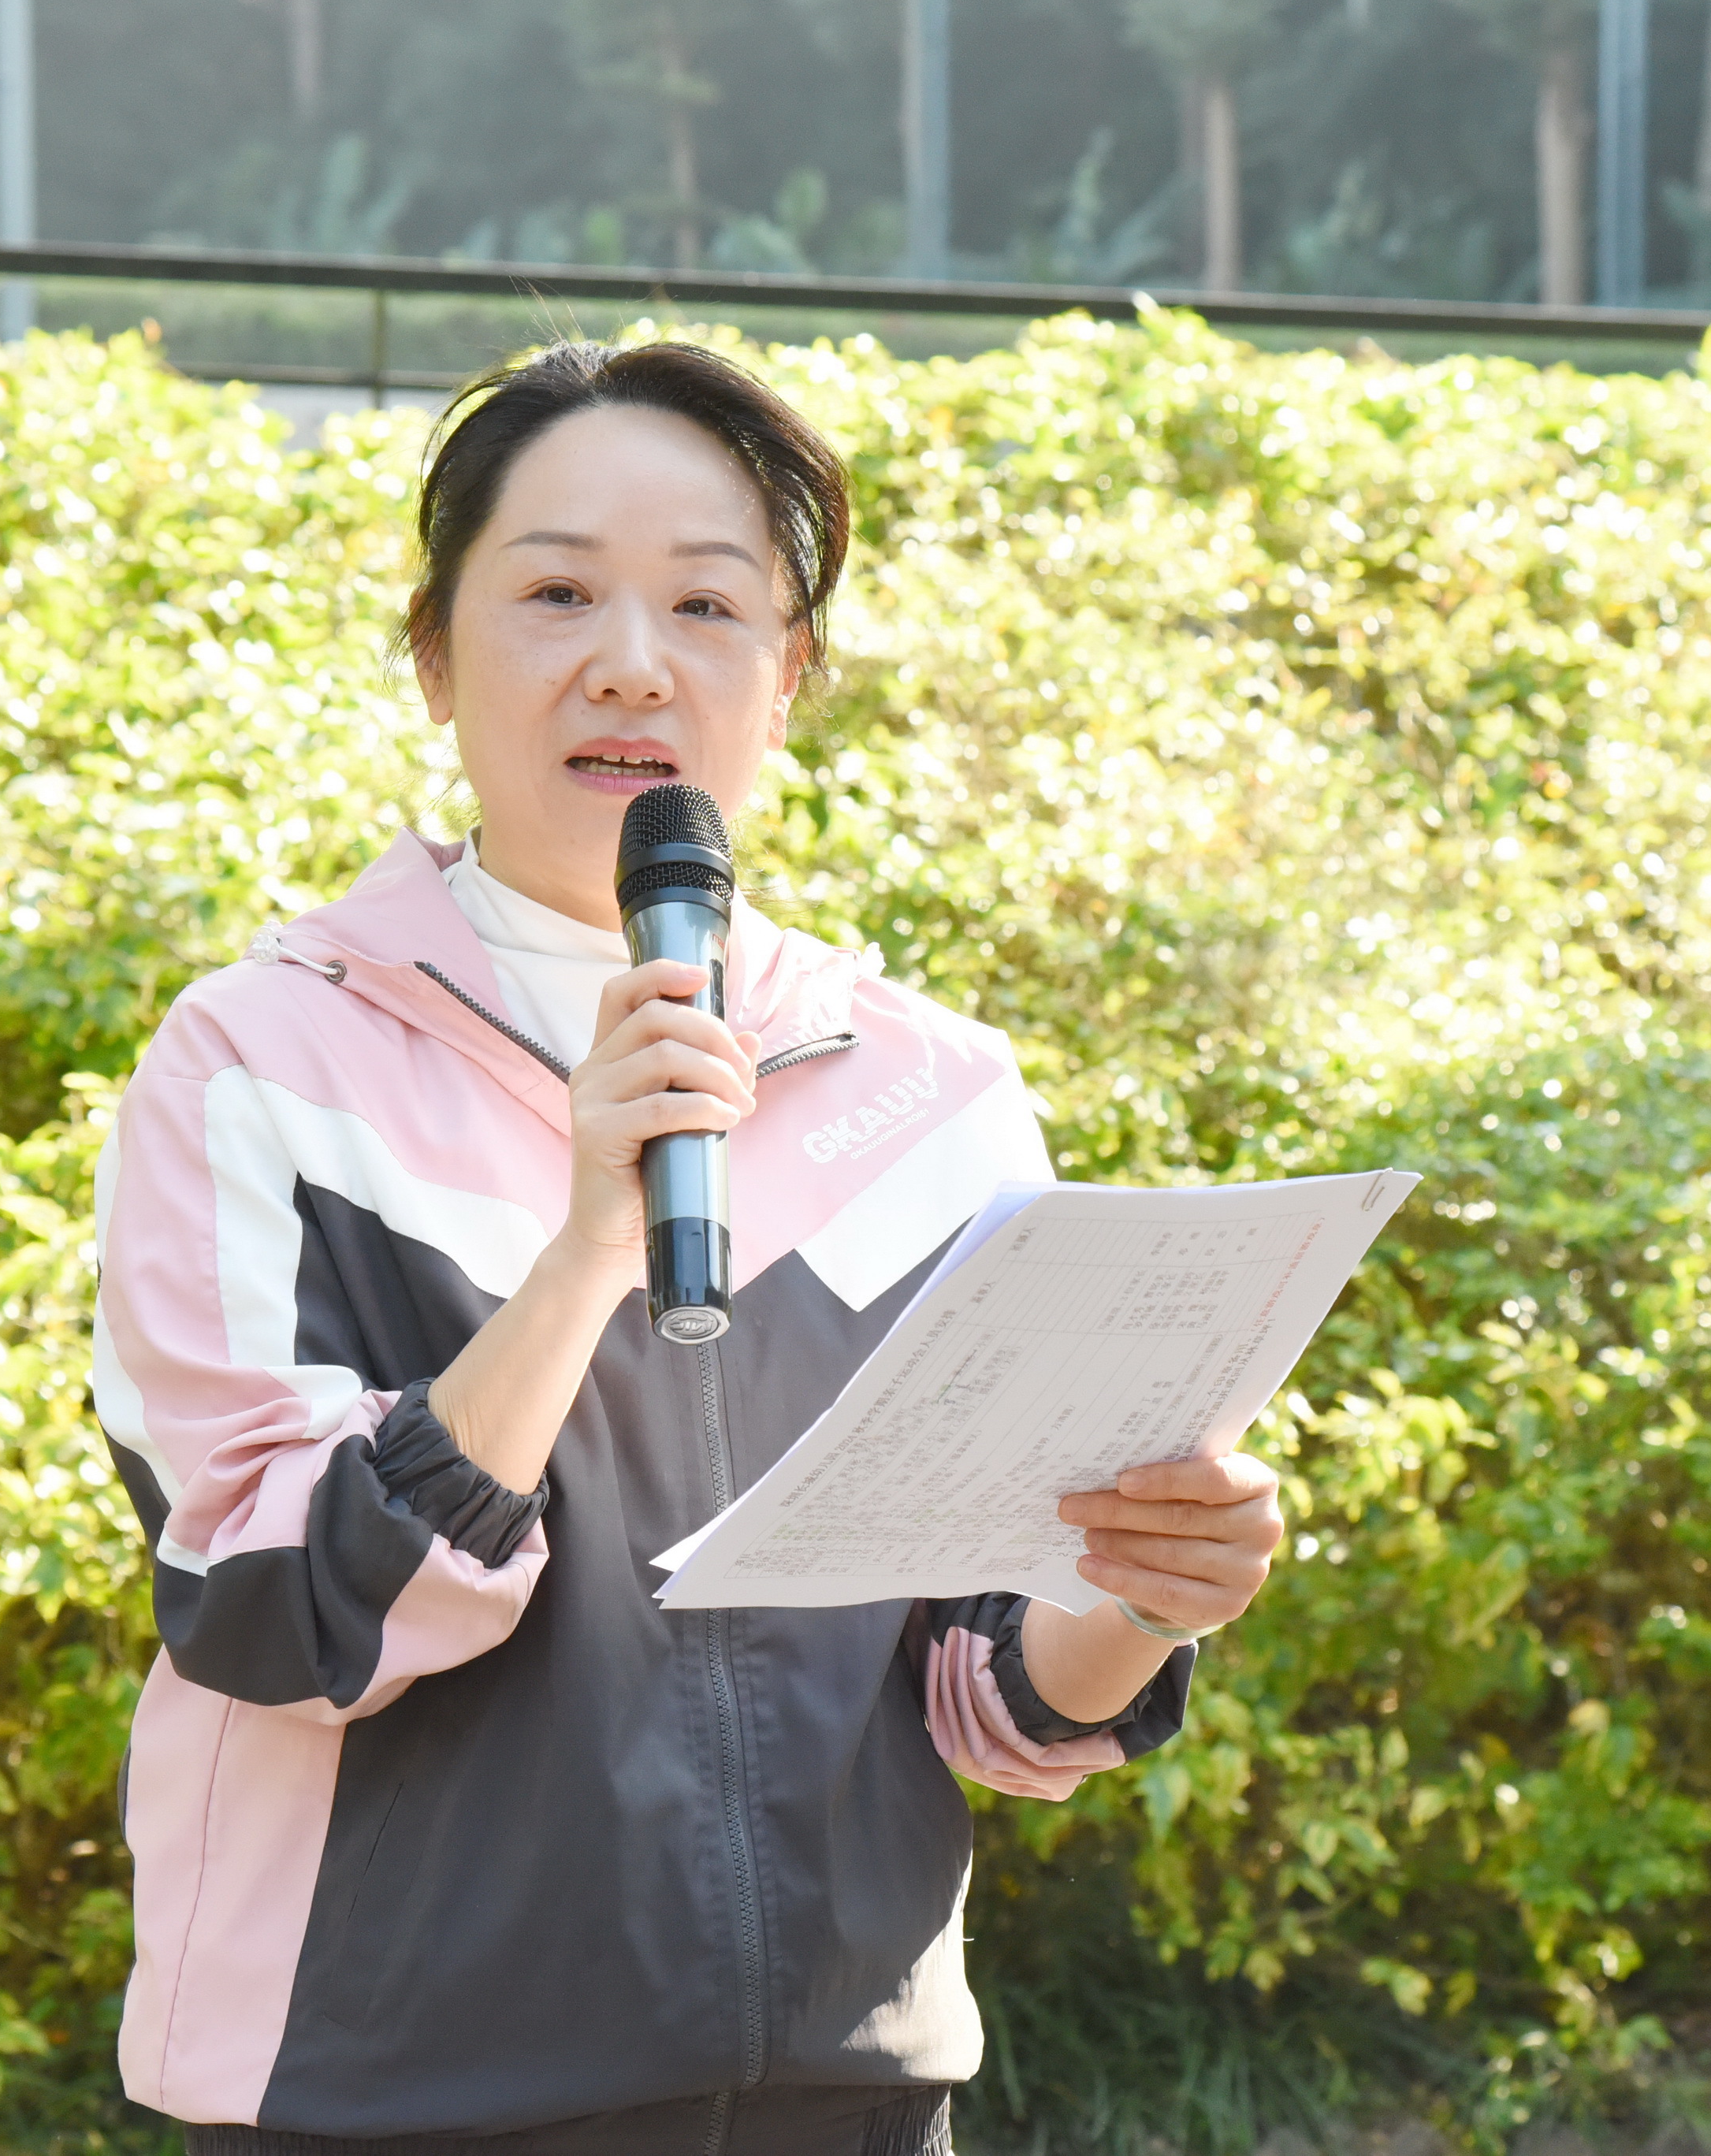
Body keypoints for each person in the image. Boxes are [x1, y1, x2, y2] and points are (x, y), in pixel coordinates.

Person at [88, 339, 1288, 2154]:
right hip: (390, 2092)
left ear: (789, 676)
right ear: (434, 654)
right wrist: (588, 1245)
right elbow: (276, 1611)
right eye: (557, 590)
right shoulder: (262, 1063)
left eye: (709, 605)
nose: (632, 659)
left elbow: (989, 1691)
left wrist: (1143, 1583)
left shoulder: (939, 1099)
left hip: (844, 2090)